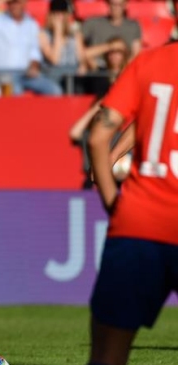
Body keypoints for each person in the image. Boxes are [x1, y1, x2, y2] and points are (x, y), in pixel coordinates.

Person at [86, 42, 178, 365]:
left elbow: (98, 136)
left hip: (138, 225)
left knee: (107, 355)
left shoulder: (149, 63)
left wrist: (114, 203)